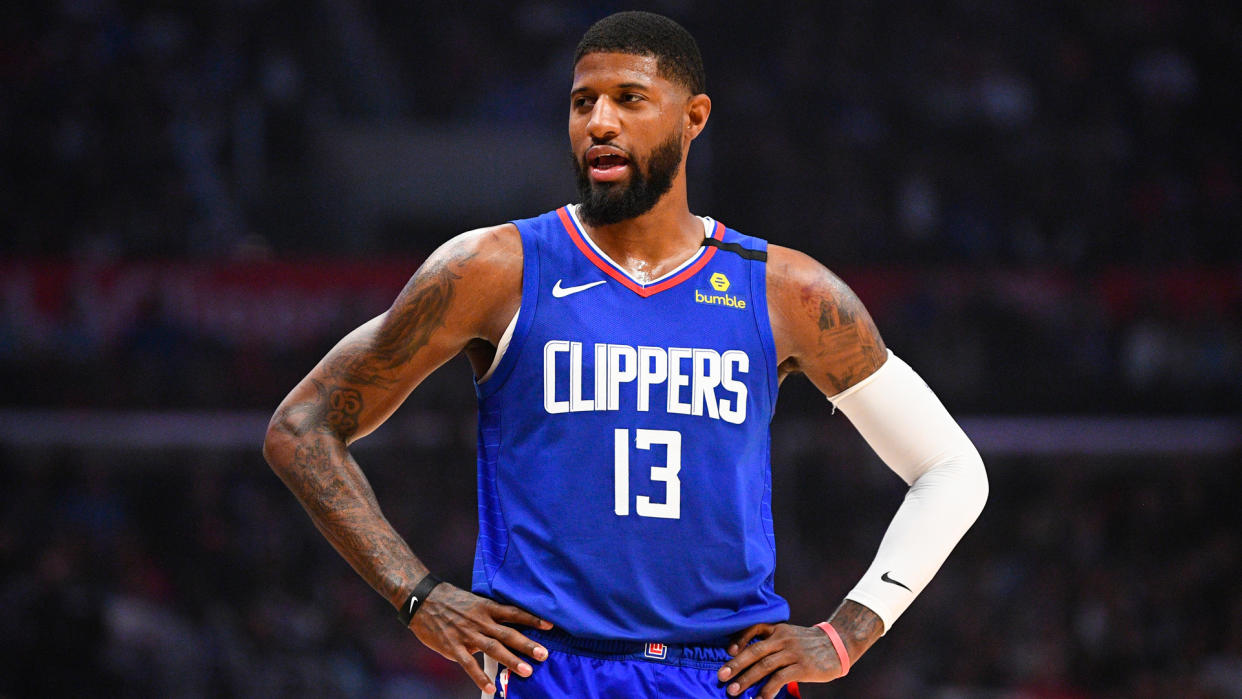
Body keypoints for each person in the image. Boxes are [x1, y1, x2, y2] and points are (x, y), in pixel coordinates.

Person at [263, 11, 988, 699]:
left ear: (693, 116)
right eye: (582, 104)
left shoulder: (787, 291)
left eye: (629, 99)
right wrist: (417, 594)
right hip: (551, 667)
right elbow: (301, 427)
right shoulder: (493, 269)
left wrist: (847, 632)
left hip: (724, 673)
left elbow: (951, 468)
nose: (599, 123)